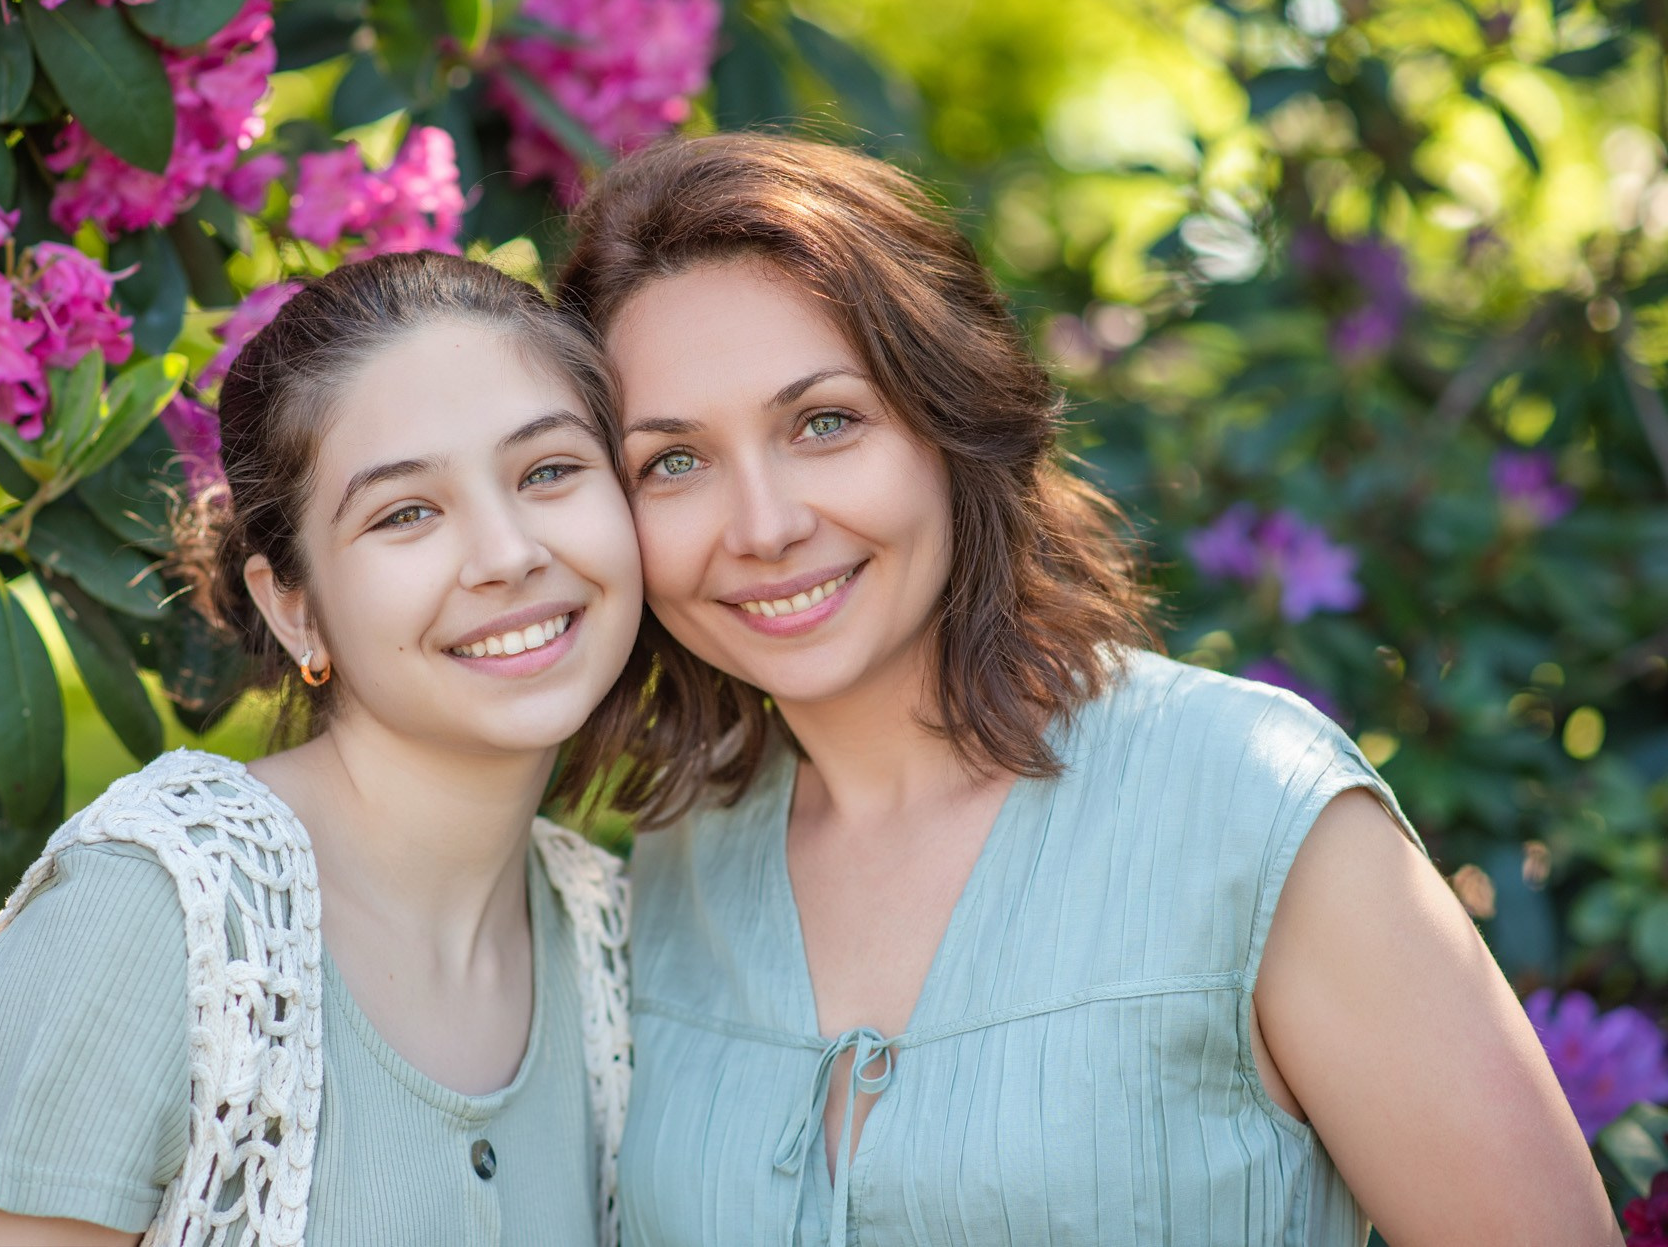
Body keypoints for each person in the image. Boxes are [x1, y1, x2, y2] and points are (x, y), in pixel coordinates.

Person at [557, 133, 1621, 1246]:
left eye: (824, 422)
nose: (763, 527)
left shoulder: (1246, 807)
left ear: (947, 420)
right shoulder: (670, 877)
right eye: (671, 462)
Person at [0, 251, 646, 1247]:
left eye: (548, 471)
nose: (509, 554)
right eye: (405, 513)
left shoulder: (607, 942)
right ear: (293, 608)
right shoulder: (159, 913)